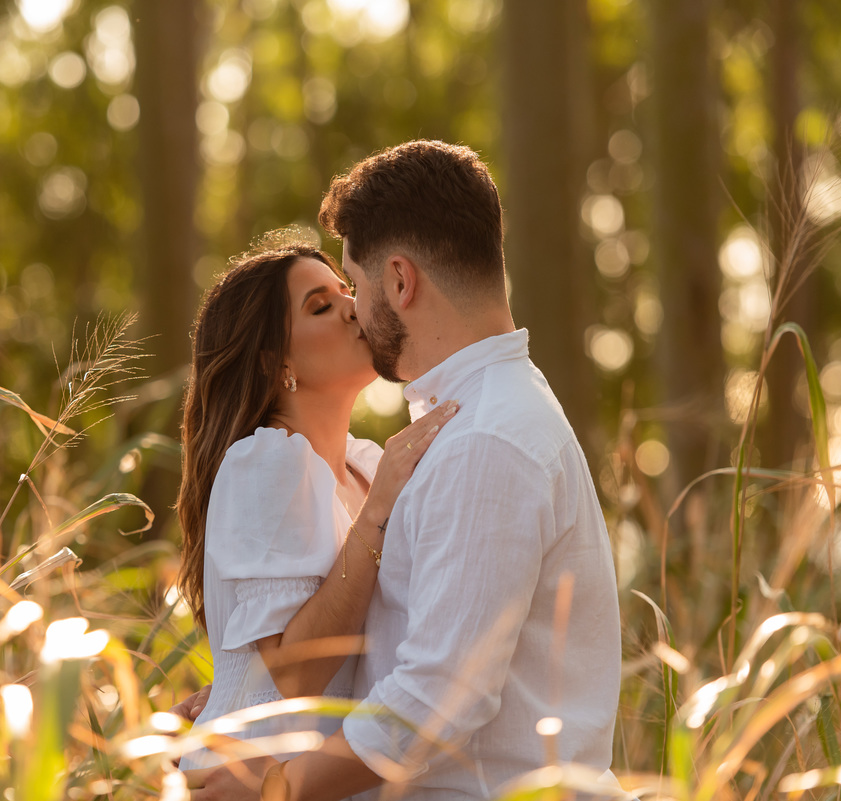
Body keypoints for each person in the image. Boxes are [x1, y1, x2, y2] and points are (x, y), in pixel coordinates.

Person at [185, 141, 622, 800]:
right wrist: (234, 697)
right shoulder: (462, 424)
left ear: (399, 281)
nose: (354, 309)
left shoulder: (483, 441)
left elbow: (438, 696)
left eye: (352, 286)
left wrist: (276, 782)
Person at [175, 236, 459, 770]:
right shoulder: (267, 464)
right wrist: (376, 513)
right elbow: (295, 672)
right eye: (320, 306)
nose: (354, 309)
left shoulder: (365, 465)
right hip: (254, 777)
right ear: (276, 361)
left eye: (345, 291)